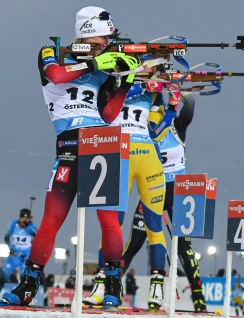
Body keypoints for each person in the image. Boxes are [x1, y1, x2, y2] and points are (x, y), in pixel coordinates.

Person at [1, 6, 139, 306]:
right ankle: (28, 284)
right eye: (104, 37)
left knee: (109, 221)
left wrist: (126, 79)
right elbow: (56, 75)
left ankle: (113, 284)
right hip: (69, 145)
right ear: (89, 31)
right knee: (52, 218)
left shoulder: (104, 66)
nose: (107, 42)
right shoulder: (52, 52)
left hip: (102, 140)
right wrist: (94, 64)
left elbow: (110, 113)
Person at [83, 65, 180, 309]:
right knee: (111, 222)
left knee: (152, 224)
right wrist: (145, 86)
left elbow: (156, 132)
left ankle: (156, 288)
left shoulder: (151, 93)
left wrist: (171, 105)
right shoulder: (113, 85)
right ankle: (102, 284)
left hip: (143, 156)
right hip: (119, 155)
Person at [110, 83, 207, 312]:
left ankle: (199, 299)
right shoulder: (144, 129)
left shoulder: (176, 127)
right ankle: (110, 287)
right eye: (157, 109)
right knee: (135, 242)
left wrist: (183, 93)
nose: (159, 113)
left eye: (162, 109)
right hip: (152, 187)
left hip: (177, 189)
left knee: (184, 246)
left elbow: (189, 109)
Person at [0, 209, 37, 290]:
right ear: (20, 218)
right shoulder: (13, 224)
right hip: (14, 255)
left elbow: (38, 238)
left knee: (24, 278)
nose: (24, 221)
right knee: (2, 276)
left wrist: (29, 228)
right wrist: (11, 248)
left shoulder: (32, 226)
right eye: (22, 219)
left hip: (26, 256)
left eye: (26, 219)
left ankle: (22, 299)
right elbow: (6, 237)